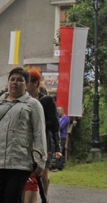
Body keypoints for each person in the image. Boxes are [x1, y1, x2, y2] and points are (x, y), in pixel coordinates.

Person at [0, 67, 46, 203]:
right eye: (12, 79)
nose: (15, 83)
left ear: (27, 85)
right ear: (8, 82)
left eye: (20, 80)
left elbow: (39, 133)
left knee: (12, 198)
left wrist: (41, 160)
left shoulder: (33, 105)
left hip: (19, 160)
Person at [23, 69, 61, 203]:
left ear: (36, 83)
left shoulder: (47, 101)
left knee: (42, 173)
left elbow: (55, 124)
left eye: (29, 82)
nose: (26, 85)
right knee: (28, 175)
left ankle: (44, 195)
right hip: (25, 142)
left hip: (43, 141)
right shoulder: (22, 100)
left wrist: (58, 147)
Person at [56, 107, 70, 171]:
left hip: (62, 136)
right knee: (57, 151)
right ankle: (56, 165)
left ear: (62, 111)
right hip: (58, 136)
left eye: (59, 111)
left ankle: (59, 166)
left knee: (60, 150)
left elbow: (61, 127)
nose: (58, 112)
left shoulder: (65, 118)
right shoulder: (60, 118)